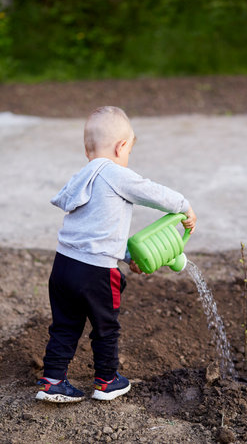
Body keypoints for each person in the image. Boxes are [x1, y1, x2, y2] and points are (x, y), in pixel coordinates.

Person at [36, 106, 197, 403]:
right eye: (128, 152)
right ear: (122, 146)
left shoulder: (82, 177)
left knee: (65, 324)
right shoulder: (115, 172)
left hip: (63, 266)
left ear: (88, 151)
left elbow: (96, 232)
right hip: (96, 273)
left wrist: (125, 256)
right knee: (105, 325)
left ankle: (52, 381)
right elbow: (152, 192)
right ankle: (107, 380)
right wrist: (184, 206)